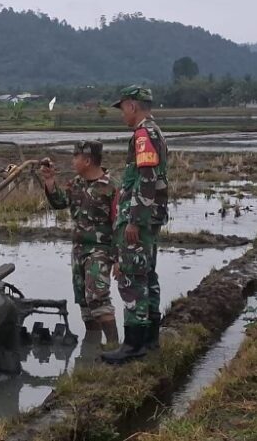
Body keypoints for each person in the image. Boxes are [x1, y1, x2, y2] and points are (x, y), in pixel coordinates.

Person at [102, 85, 168, 364]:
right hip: (151, 216)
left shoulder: (143, 135)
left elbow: (147, 178)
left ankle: (133, 344)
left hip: (140, 219)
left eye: (123, 109)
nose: (122, 115)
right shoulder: (154, 131)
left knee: (131, 277)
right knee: (148, 274)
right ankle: (150, 337)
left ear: (132, 106)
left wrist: (134, 220)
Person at [39, 141, 119, 346]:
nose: (72, 161)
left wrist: (119, 259)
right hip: (78, 250)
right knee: (84, 300)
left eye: (75, 157)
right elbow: (59, 202)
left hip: (100, 250)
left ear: (87, 160)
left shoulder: (111, 187)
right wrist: (49, 181)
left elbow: (120, 224)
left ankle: (113, 346)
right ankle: (91, 347)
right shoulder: (76, 183)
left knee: (98, 296)